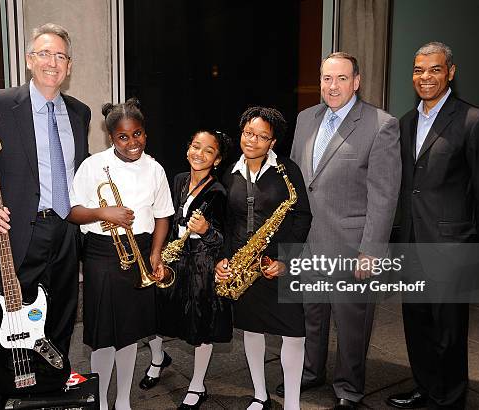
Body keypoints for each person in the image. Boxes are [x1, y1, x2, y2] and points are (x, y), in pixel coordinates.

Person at [0, 23, 90, 409]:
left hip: (64, 234)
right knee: (6, 331)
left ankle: (46, 399)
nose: (52, 62)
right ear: (29, 59)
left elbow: (80, 172)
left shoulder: (79, 112)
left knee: (57, 325)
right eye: (43, 53)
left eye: (60, 56)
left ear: (69, 66)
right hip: (12, 236)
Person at [386, 42, 479, 409]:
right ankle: (426, 388)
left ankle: (450, 400)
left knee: (449, 331)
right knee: (418, 323)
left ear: (450, 72)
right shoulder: (405, 122)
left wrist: (470, 244)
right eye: (419, 70)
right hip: (412, 242)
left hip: (452, 246)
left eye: (435, 69)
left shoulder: (475, 120)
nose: (425, 77)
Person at [279, 52, 401, 410]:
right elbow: (300, 183)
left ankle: (349, 387)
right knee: (311, 314)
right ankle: (312, 371)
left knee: (352, 324)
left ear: (356, 81)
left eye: (342, 79)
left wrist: (371, 251)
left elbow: (384, 194)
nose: (333, 86)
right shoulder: (305, 119)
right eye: (327, 78)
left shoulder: (381, 125)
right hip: (308, 241)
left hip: (351, 245)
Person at [68, 99, 174, 410]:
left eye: (137, 134)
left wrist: (156, 254)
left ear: (145, 132)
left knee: (129, 332)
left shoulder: (155, 168)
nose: (132, 142)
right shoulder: (92, 166)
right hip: (102, 254)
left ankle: (124, 400)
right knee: (104, 334)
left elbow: (163, 216)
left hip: (140, 250)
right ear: (111, 137)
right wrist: (104, 212)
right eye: (123, 137)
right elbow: (73, 212)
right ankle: (101, 401)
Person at [215, 106, 312, 410]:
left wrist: (287, 261)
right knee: (252, 328)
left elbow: (302, 216)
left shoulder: (287, 171)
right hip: (245, 265)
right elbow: (225, 223)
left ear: (273, 142)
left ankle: (293, 403)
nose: (252, 140)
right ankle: (260, 394)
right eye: (248, 133)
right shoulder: (229, 173)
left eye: (262, 136)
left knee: (294, 334)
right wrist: (224, 259)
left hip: (278, 264)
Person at [140, 130, 233, 409]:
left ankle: (197, 384)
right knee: (153, 314)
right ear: (187, 149)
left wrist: (205, 231)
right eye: (195, 146)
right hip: (174, 259)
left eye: (208, 151)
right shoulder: (179, 179)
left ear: (217, 160)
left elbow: (221, 238)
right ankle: (158, 359)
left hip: (201, 265)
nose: (199, 154)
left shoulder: (218, 191)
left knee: (200, 324)